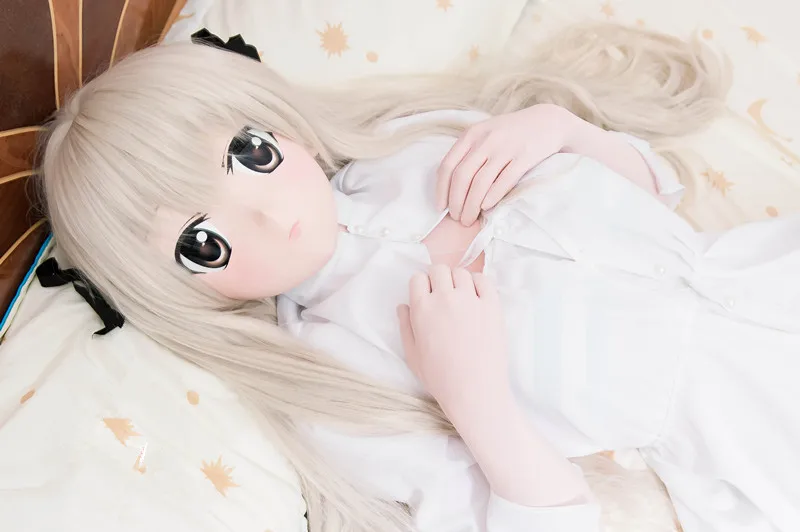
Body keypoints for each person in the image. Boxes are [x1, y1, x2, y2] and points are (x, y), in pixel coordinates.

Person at [40, 23, 799, 532]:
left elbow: (659, 192)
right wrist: (478, 401)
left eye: (249, 153)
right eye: (203, 244)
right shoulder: (335, 382)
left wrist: (566, 131)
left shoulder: (407, 144)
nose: (267, 215)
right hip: (751, 440)